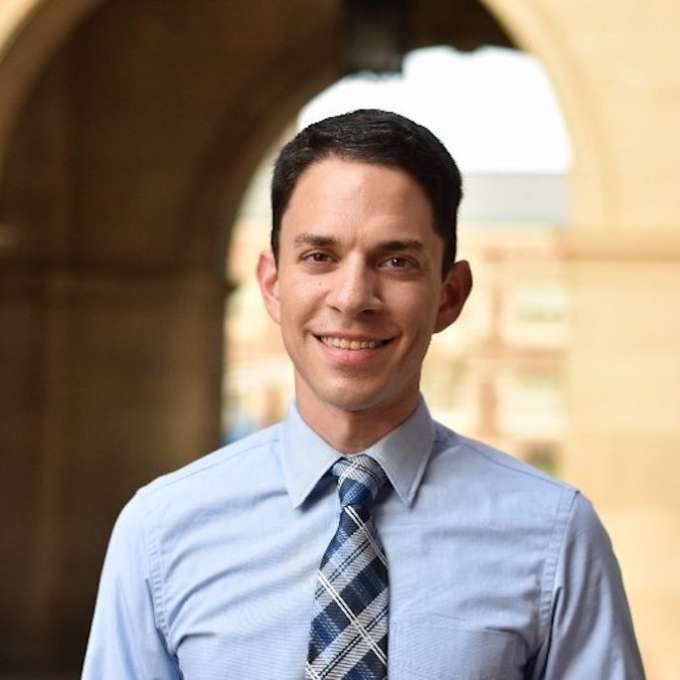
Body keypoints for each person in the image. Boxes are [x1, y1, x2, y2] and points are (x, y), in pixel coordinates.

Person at [82, 109, 645, 679]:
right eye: (319, 257)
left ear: (450, 296)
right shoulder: (160, 530)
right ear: (274, 285)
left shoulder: (553, 535)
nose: (352, 298)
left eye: (396, 261)